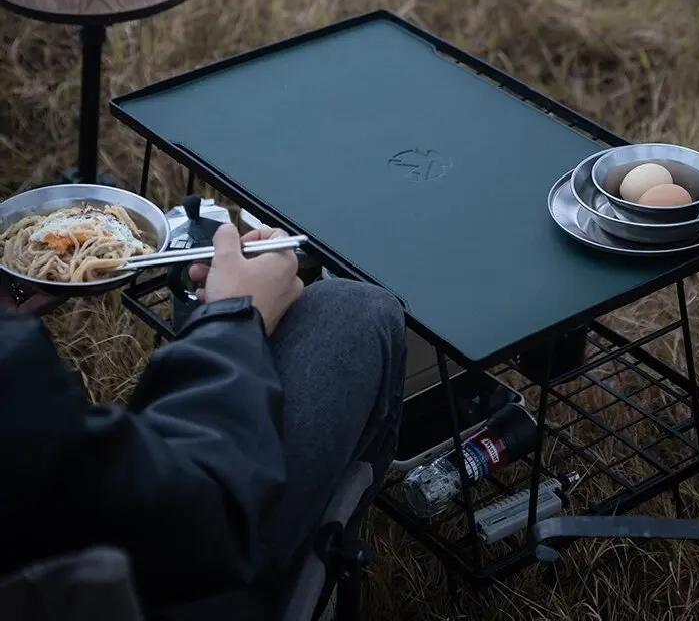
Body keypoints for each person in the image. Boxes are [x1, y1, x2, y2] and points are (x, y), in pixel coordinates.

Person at [0, 223, 408, 620]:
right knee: (354, 309)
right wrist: (233, 322)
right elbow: (192, 514)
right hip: (153, 584)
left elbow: (69, 466)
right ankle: (307, 581)